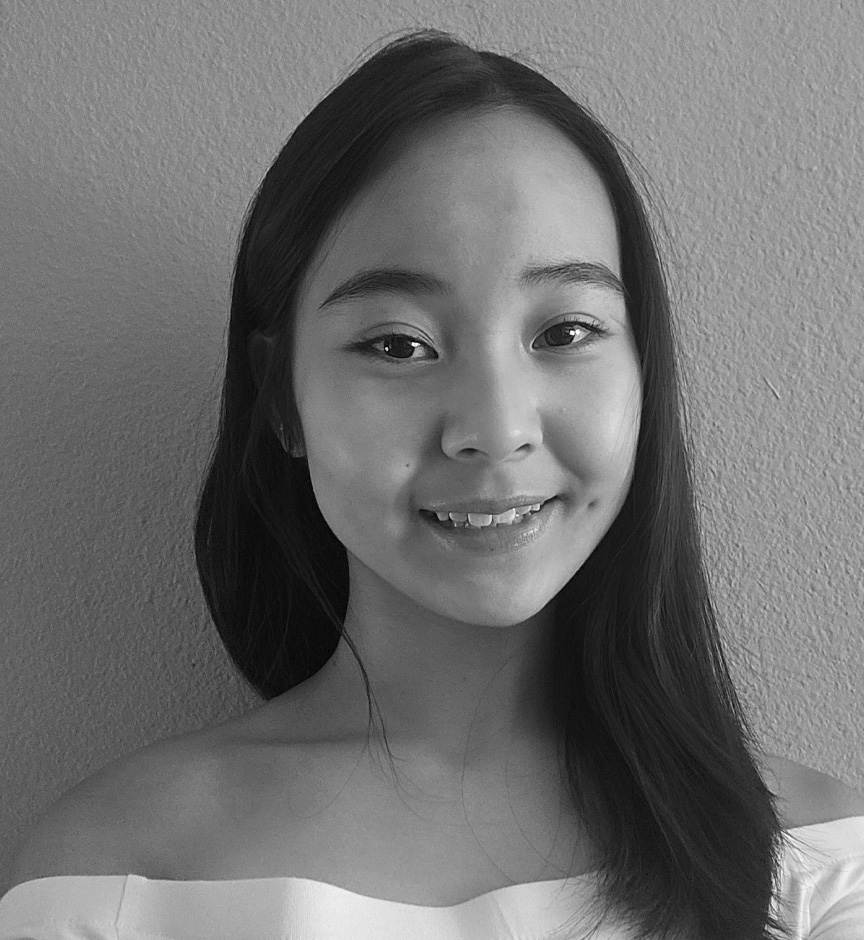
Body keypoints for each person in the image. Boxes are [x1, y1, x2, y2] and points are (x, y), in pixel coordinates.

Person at [2, 27, 863, 940]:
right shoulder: (115, 879)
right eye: (397, 344)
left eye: (565, 333)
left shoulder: (818, 870)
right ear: (281, 399)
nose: (495, 427)